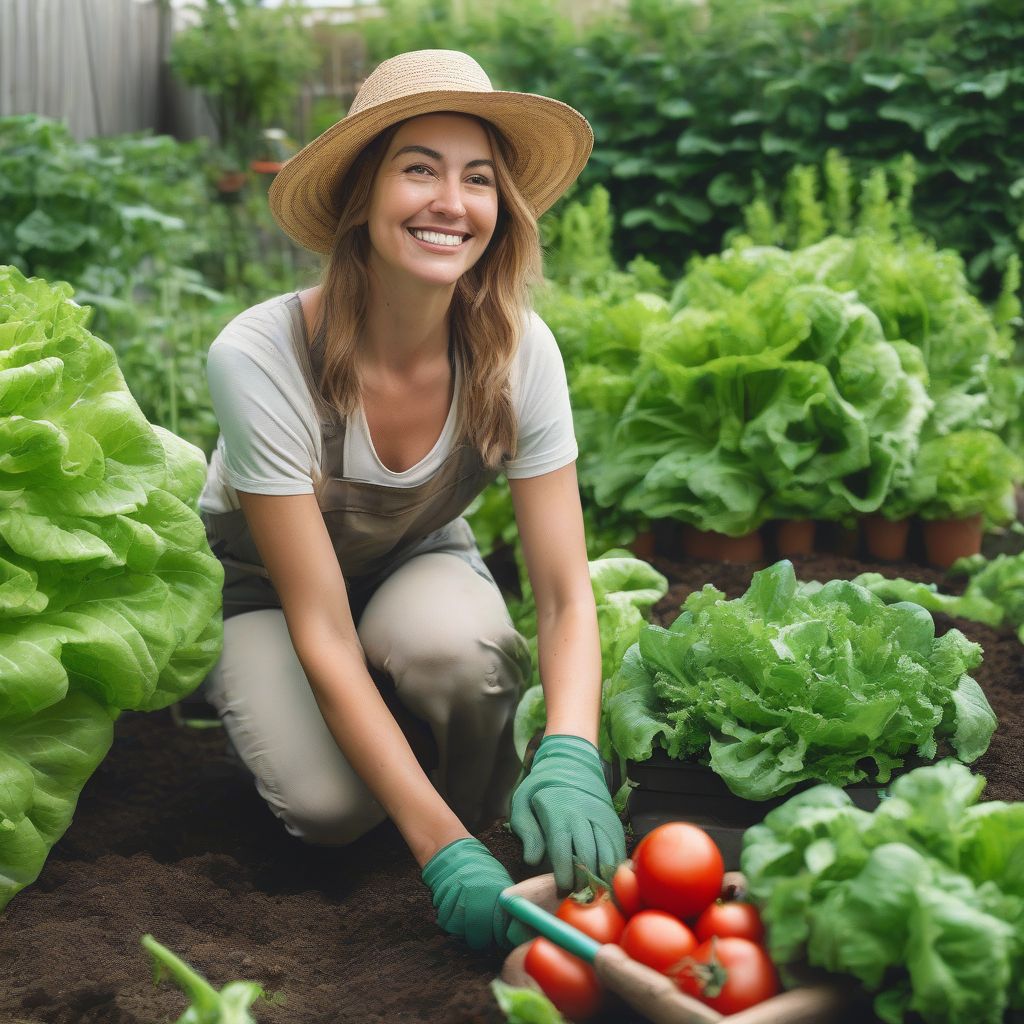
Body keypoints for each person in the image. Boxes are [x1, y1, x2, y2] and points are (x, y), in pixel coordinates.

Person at [197, 49, 626, 952]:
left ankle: (476, 814)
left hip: (413, 561)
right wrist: (438, 853)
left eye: (478, 179)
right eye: (418, 168)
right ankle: (425, 830)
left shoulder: (517, 350)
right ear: (361, 195)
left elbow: (562, 591)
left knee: (466, 661)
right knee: (327, 811)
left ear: (500, 209)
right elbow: (321, 627)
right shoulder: (261, 356)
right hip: (269, 596)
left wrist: (574, 749)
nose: (451, 202)